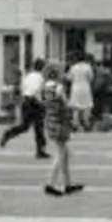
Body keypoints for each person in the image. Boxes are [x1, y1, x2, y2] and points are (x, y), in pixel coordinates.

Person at [41, 61, 81, 197]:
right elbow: (65, 104)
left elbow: (47, 104)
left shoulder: (46, 87)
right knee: (61, 154)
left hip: (50, 121)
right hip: (59, 123)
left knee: (65, 154)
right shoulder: (58, 87)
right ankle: (50, 184)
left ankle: (67, 183)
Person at [0, 58, 48, 159]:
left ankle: (8, 134)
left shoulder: (28, 76)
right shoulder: (41, 78)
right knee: (39, 127)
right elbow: (38, 91)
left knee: (24, 126)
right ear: (42, 67)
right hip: (35, 102)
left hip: (26, 101)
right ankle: (40, 150)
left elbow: (23, 88)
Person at [67, 53, 95, 132]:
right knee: (87, 106)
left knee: (75, 107)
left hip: (75, 87)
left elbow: (69, 78)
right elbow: (91, 77)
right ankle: (86, 123)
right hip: (85, 87)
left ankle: (75, 124)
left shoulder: (73, 67)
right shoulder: (88, 67)